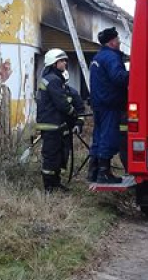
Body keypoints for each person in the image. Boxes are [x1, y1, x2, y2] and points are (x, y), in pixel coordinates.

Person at [89, 27, 129, 183]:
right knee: (108, 137)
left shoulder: (98, 57)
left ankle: (93, 171)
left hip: (99, 103)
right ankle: (104, 173)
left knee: (98, 136)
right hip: (110, 104)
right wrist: (136, 73)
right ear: (112, 42)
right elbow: (118, 77)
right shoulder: (111, 57)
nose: (119, 42)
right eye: (118, 40)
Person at [36, 49, 80, 192]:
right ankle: (49, 187)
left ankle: (55, 184)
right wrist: (73, 113)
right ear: (54, 63)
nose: (65, 63)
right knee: (51, 157)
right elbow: (61, 103)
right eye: (62, 61)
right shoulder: (53, 80)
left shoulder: (53, 78)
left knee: (59, 156)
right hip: (52, 125)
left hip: (55, 124)